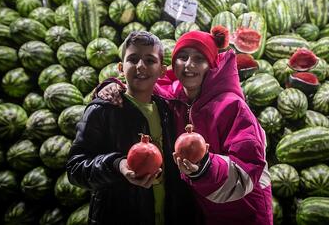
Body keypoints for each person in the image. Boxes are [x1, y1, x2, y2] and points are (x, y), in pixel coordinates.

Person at [97, 26, 273, 225]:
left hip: (244, 210)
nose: (189, 65)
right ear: (173, 64)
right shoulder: (175, 97)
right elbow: (144, 83)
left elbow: (249, 166)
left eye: (199, 59)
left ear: (212, 65)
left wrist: (204, 167)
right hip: (204, 209)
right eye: (183, 57)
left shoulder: (233, 106)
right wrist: (114, 86)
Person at [66, 31, 200, 225]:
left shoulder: (167, 110)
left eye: (150, 60)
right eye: (133, 59)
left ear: (162, 71)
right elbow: (75, 168)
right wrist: (117, 165)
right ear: (121, 68)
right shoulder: (102, 110)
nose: (140, 66)